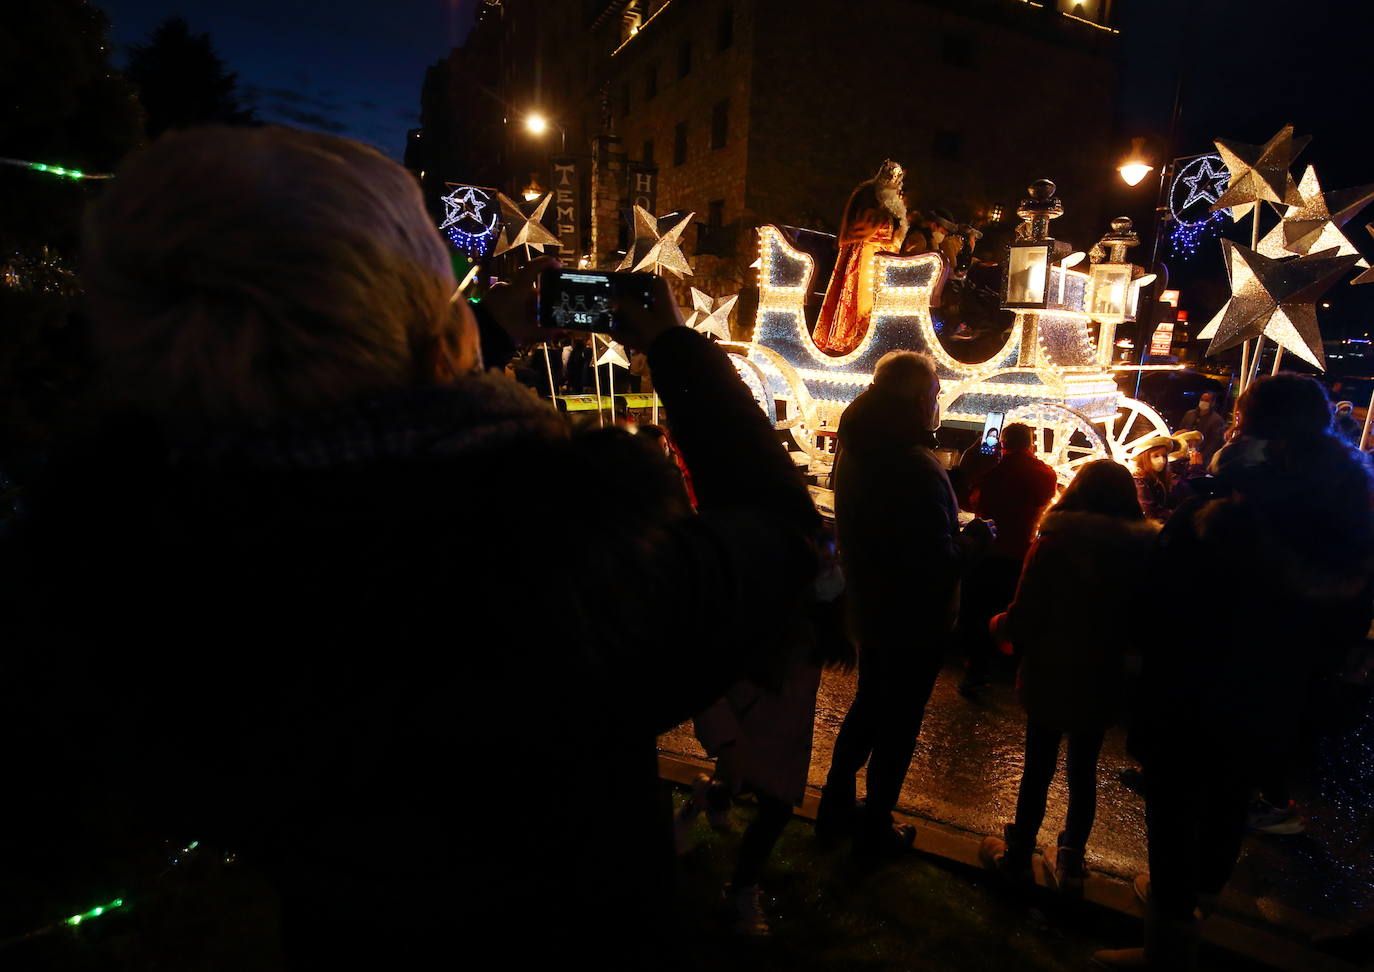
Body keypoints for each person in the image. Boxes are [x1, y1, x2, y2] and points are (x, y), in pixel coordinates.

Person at [0, 126, 823, 968]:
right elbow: (782, 535)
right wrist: (676, 348)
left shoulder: (141, 567)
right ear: (434, 331)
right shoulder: (554, 566)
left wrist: (484, 332)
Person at [1097, 374, 1374, 969]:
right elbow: (1344, 625)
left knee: (1173, 813)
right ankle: (1195, 914)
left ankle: (1167, 948)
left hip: (1195, 690)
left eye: (1243, 418)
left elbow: (1159, 603)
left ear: (1254, 431)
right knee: (1227, 804)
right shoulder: (1346, 523)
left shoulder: (1219, 516)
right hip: (1273, 699)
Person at [816, 351, 995, 860]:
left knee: (869, 707)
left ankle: (835, 806)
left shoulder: (861, 447)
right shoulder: (912, 464)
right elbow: (936, 558)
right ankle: (875, 825)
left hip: (872, 604)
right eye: (935, 396)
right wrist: (979, 538)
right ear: (919, 401)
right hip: (915, 616)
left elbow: (901, 523)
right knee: (898, 725)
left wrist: (957, 481)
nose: (937, 406)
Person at [979, 461, 1157, 890]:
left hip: (1051, 670)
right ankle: (1071, 859)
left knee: (1038, 765)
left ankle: (1018, 854)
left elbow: (1025, 615)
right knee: (1084, 768)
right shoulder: (1143, 553)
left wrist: (997, 626)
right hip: (1103, 674)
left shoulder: (1054, 545)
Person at [959, 422, 1058, 697]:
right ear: (1030, 444)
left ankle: (976, 671)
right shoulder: (1044, 473)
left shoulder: (993, 471)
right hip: (1020, 552)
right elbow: (1046, 500)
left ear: (1002, 443)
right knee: (1008, 609)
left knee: (978, 611)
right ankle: (1009, 671)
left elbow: (970, 502)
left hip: (989, 550)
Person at [813, 160, 907, 355]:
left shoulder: (892, 201)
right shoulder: (868, 195)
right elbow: (860, 227)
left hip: (884, 257)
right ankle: (852, 340)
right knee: (861, 301)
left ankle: (872, 341)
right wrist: (881, 221)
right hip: (864, 254)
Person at [1177, 391, 1226, 464]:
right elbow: (1181, 430)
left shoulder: (1217, 420)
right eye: (1202, 399)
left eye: (1206, 400)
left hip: (1201, 458)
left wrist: (1202, 455)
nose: (1203, 402)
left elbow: (1215, 443)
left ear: (1212, 403)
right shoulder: (1190, 414)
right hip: (1183, 454)